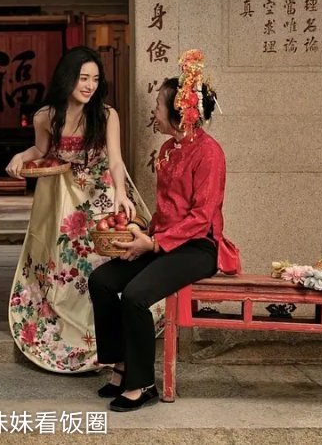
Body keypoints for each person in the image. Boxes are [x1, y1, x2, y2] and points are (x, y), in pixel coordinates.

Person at [88, 49, 229, 412]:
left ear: (179, 112)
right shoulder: (168, 149)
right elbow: (167, 209)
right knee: (102, 281)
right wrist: (142, 232)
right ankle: (121, 365)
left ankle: (142, 384)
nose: (154, 111)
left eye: (158, 105)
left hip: (197, 247)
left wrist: (153, 243)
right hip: (161, 242)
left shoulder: (210, 153)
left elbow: (201, 217)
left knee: (135, 296)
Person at [5, 46, 153, 373]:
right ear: (67, 77)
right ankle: (69, 331)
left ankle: (105, 337)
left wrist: (120, 192)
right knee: (62, 263)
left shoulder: (106, 115)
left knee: (101, 262)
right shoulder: (45, 116)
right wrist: (21, 156)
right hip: (62, 198)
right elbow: (41, 150)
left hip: (99, 196)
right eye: (84, 78)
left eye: (95, 79)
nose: (90, 86)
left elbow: (116, 160)